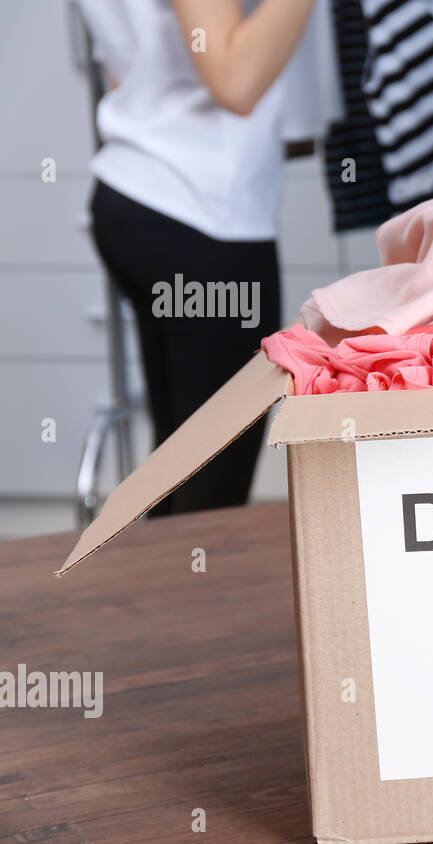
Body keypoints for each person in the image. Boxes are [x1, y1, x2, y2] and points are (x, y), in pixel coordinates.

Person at [81, 0, 316, 514]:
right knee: (211, 486)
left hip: (136, 194)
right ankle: (189, 588)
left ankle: (159, 586)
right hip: (202, 214)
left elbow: (122, 71)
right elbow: (236, 81)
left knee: (179, 460)